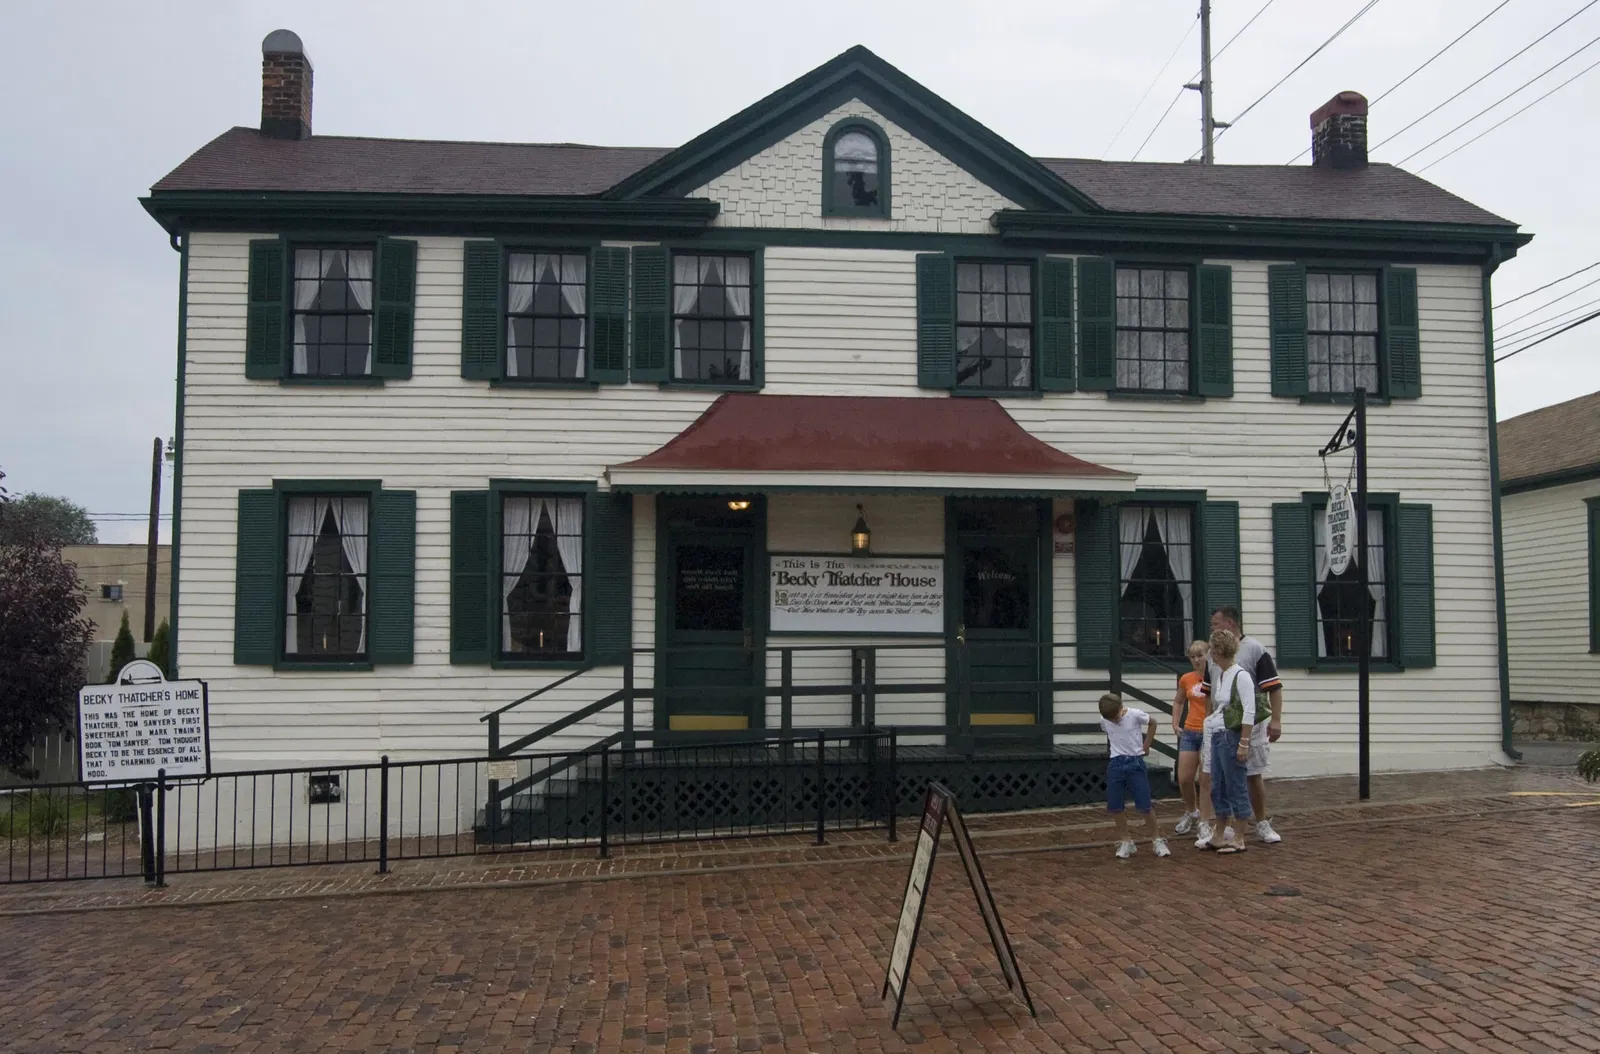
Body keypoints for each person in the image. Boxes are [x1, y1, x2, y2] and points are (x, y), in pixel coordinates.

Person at [1206, 606, 1284, 844]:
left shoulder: (1255, 650)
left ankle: (1260, 822)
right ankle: (1225, 827)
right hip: (1221, 728)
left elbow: (1273, 688)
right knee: (1221, 778)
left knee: (1251, 774)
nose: (1213, 629)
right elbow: (1210, 695)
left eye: (1216, 624)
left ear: (1230, 624)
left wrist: (1276, 720)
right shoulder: (1213, 657)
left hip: (1249, 726)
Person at [1198, 630, 1255, 854]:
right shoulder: (1221, 674)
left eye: (1213, 649)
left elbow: (1249, 710)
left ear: (1219, 651)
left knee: (1236, 784)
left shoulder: (1241, 675)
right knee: (1218, 785)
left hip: (1231, 735)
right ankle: (1219, 833)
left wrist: (1244, 743)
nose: (1211, 654)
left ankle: (1239, 836)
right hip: (1217, 733)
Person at [1097, 692, 1170, 860]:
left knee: (1144, 804)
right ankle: (1126, 840)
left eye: (1116, 717)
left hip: (1135, 762)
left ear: (1122, 709)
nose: (1114, 721)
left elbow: (1152, 722)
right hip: (1116, 763)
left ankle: (1157, 839)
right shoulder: (1105, 721)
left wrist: (1146, 745)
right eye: (1111, 720)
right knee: (1115, 804)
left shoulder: (1135, 714)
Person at [1169, 640, 1212, 836]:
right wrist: (1175, 723)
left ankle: (1205, 820)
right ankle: (1191, 811)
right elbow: (1179, 701)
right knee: (1184, 778)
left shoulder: (1215, 676)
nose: (1196, 660)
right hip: (1190, 731)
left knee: (1205, 779)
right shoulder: (1186, 679)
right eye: (1192, 657)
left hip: (1209, 731)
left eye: (1200, 655)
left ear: (1208, 655)